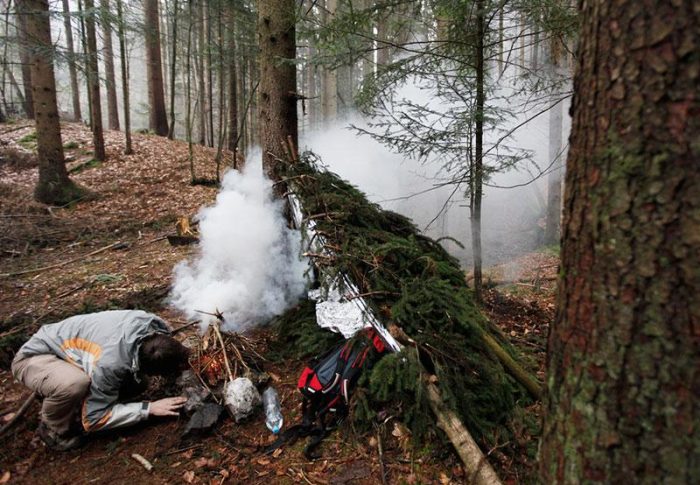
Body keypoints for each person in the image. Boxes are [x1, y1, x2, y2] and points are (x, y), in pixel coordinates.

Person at [11, 309, 190, 450]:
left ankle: (63, 394)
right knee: (74, 385)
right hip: (36, 357)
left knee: (138, 384)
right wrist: (148, 408)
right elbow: (93, 420)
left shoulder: (153, 324)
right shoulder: (109, 365)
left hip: (71, 350)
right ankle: (52, 429)